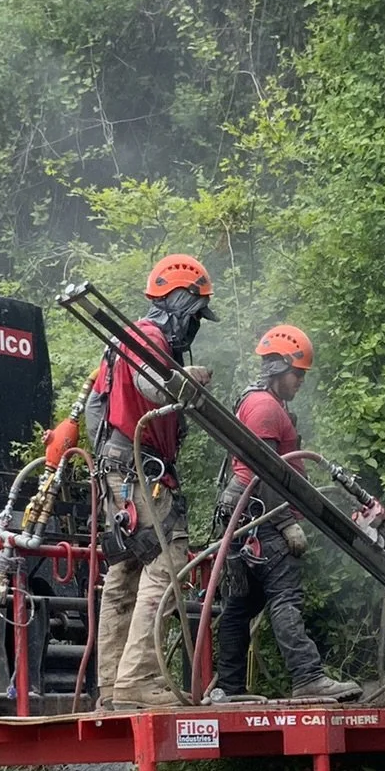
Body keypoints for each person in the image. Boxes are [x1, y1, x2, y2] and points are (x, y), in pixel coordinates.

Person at [207, 325, 358, 704]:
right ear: (277, 368)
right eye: (297, 374)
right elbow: (266, 470)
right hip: (260, 514)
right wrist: (287, 522)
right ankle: (308, 678)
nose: (300, 382)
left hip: (242, 516)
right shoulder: (264, 408)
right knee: (284, 595)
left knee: (241, 604)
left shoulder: (260, 402)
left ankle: (229, 687)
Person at [92, 253, 216, 710]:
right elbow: (152, 388)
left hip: (116, 469)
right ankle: (139, 679)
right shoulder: (149, 337)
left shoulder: (117, 341)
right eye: (197, 313)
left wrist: (113, 463)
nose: (197, 326)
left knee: (124, 571)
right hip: (143, 471)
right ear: (181, 302)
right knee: (166, 561)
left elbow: (93, 412)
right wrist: (186, 378)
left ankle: (111, 685)